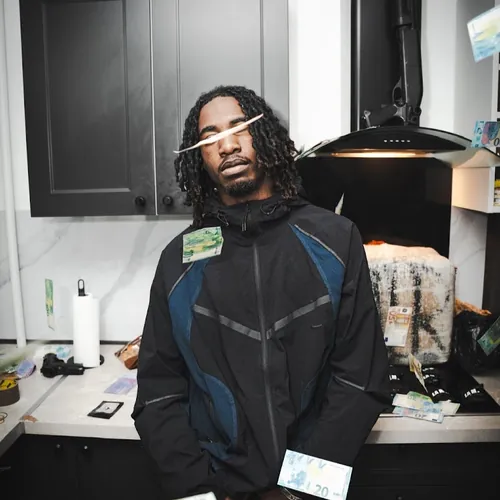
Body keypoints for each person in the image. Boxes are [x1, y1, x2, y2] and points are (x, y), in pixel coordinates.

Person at [132, 85, 390, 500]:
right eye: (210, 137)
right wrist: (198, 491)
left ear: (265, 134)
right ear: (199, 158)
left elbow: (361, 380)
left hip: (308, 490)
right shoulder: (178, 260)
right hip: (216, 488)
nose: (227, 145)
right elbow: (159, 392)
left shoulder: (335, 239)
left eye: (240, 128)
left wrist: (298, 492)